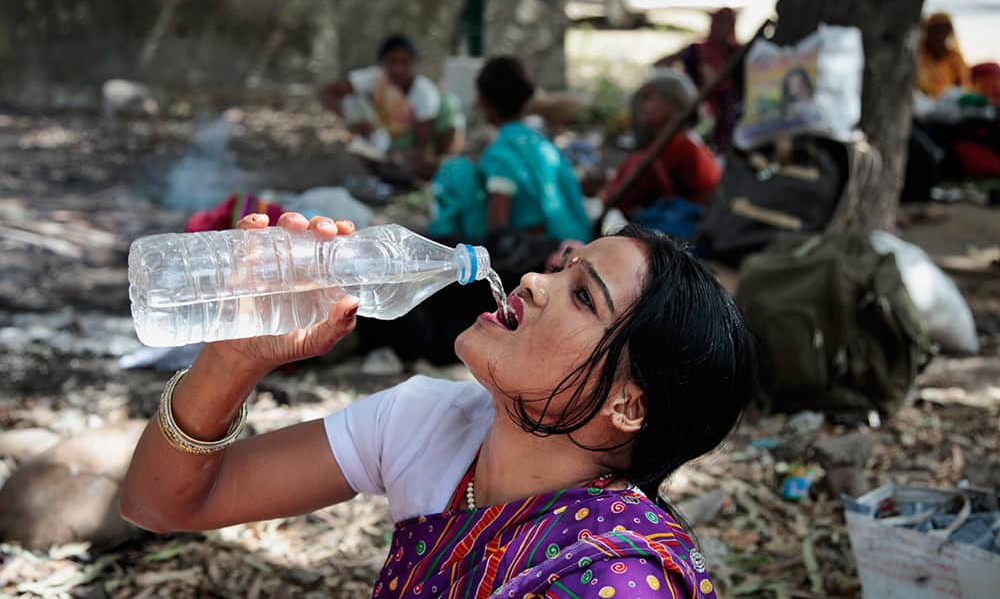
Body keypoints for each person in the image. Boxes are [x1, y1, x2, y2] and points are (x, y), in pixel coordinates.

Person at [121, 211, 759, 598]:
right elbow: (163, 503)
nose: (535, 282)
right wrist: (236, 358)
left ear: (628, 405)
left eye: (584, 297)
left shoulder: (612, 579)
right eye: (563, 268)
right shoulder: (429, 422)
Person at [429, 55, 592, 244]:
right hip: (581, 240)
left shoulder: (501, 155)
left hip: (553, 254)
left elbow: (498, 228)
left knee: (457, 171)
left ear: (484, 103)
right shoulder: (539, 143)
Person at [319, 34, 464, 177]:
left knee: (449, 104)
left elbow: (421, 147)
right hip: (381, 136)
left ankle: (440, 168)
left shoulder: (424, 93)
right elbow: (327, 92)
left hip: (408, 143)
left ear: (413, 63)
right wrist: (352, 121)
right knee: (352, 100)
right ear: (382, 63)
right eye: (392, 62)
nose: (398, 69)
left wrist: (398, 157)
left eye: (404, 62)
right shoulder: (375, 78)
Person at [602, 71, 722, 218]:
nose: (640, 106)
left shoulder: (683, 146)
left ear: (676, 104)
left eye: (648, 98)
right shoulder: (664, 144)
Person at [655, 7, 743, 151]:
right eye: (720, 22)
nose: (724, 28)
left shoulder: (738, 52)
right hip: (700, 107)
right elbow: (661, 64)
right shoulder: (696, 50)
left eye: (728, 23)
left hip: (730, 110)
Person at [915, 13, 970, 100]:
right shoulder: (918, 57)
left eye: (944, 32)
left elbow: (964, 84)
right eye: (936, 31)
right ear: (928, 32)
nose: (940, 36)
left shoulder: (954, 57)